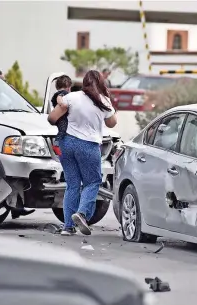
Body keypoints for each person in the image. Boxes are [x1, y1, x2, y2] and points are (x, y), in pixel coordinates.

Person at [48, 70, 117, 236]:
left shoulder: (71, 97)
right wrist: (107, 99)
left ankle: (68, 227)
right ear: (101, 83)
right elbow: (112, 123)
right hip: (88, 145)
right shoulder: (103, 100)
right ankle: (82, 214)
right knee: (92, 182)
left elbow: (51, 118)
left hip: (67, 143)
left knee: (72, 184)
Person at [50, 75, 72, 140]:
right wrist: (62, 104)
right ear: (68, 87)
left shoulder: (55, 94)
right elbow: (59, 97)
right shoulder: (64, 92)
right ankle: (57, 142)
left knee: (61, 130)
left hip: (57, 117)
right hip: (63, 117)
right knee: (63, 131)